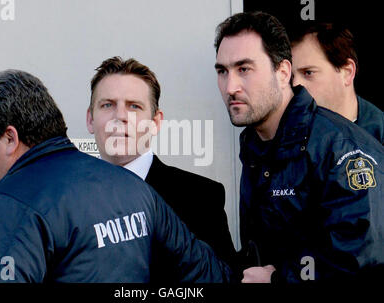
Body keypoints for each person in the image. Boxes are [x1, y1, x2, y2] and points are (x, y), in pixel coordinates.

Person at [0, 69, 233, 283]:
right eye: (107, 105)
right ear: (90, 117)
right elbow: (211, 274)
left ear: (10, 138)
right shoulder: (134, 188)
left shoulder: (11, 206)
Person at [214, 11, 383, 283]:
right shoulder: (255, 144)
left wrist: (279, 278)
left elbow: (358, 258)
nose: (230, 86)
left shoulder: (343, 148)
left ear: (282, 72)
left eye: (244, 69)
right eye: (222, 71)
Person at [86, 56, 235, 282]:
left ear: (155, 122)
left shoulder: (202, 198)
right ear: (90, 119)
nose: (120, 116)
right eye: (107, 105)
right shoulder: (63, 199)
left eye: (134, 106)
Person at [290, 22, 383, 143]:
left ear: (347, 73)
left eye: (308, 72)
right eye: (291, 77)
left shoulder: (379, 136)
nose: (294, 85)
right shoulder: (286, 130)